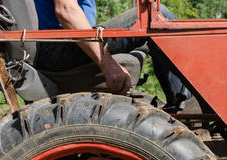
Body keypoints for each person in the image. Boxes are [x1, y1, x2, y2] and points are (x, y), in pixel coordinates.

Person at [33, 0, 191, 109]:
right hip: (57, 47)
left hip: (59, 45)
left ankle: (177, 105)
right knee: (157, 16)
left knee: (146, 33)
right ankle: (189, 107)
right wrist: (106, 63)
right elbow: (66, 10)